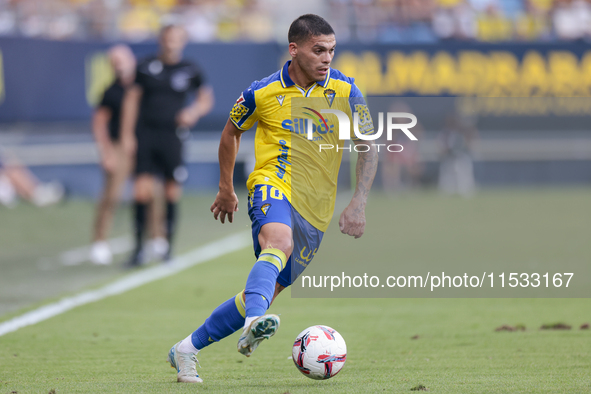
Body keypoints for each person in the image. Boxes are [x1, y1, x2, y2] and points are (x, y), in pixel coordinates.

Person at [166, 14, 378, 383]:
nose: (327, 58)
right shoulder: (261, 92)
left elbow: (368, 145)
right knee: (278, 241)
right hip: (272, 183)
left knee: (261, 293)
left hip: (316, 209)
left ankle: (187, 348)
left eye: (331, 50)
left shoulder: (347, 91)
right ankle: (254, 324)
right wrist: (226, 188)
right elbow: (231, 132)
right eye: (318, 50)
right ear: (294, 50)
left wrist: (359, 201)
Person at [120, 25, 214, 266]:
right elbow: (131, 100)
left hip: (173, 135)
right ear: (161, 40)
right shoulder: (145, 67)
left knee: (172, 190)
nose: (171, 44)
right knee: (141, 190)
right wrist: (127, 134)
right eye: (167, 39)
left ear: (182, 41)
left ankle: (168, 248)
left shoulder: (189, 69)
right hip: (147, 134)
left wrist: (192, 112)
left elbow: (205, 98)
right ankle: (139, 248)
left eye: (176, 39)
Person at [90, 45, 137, 265]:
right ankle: (99, 241)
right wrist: (106, 151)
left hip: (143, 145)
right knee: (111, 195)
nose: (119, 65)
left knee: (151, 192)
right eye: (115, 62)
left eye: (122, 60)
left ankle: (156, 239)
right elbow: (99, 123)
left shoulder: (142, 86)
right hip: (119, 146)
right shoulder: (111, 91)